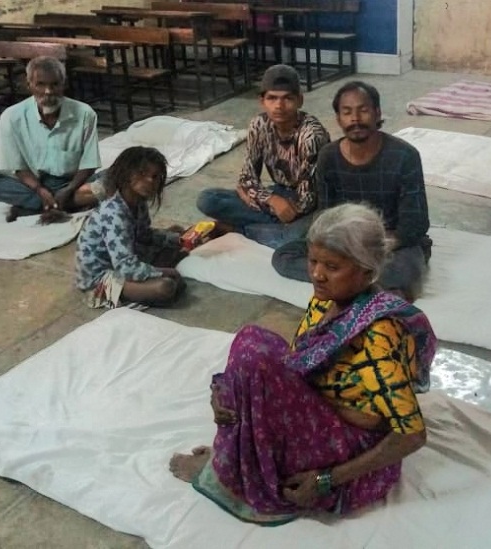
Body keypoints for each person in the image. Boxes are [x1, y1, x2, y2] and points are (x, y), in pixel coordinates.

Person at [169, 203, 437, 525]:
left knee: (256, 362)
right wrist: (226, 391)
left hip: (348, 448)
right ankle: (239, 456)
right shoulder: (326, 301)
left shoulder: (378, 336)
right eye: (313, 261)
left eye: (332, 266)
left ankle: (236, 471)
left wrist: (327, 479)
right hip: (322, 411)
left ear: (367, 271)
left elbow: (412, 435)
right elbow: (297, 360)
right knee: (252, 342)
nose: (316, 274)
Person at [272, 81, 432, 301]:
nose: (355, 119)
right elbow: (326, 213)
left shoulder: (405, 156)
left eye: (363, 111)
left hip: (388, 245)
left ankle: (346, 278)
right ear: (338, 119)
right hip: (343, 243)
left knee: (405, 270)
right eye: (347, 112)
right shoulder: (328, 156)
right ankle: (356, 278)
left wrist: (370, 248)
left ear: (377, 113)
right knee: (283, 257)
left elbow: (416, 223)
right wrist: (339, 250)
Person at [195, 64, 330, 248]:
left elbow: (307, 200)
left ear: (300, 100)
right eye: (272, 98)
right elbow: (247, 177)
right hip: (277, 196)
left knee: (292, 239)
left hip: (310, 207)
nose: (279, 106)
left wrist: (252, 194)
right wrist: (271, 200)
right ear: (262, 101)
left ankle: (241, 230)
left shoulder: (311, 135)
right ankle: (269, 231)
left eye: (287, 99)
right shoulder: (259, 125)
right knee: (208, 199)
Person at [0, 56, 105, 222]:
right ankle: (62, 203)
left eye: (55, 84)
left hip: (74, 182)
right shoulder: (11, 117)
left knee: (121, 176)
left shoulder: (84, 113)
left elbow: (89, 164)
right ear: (29, 85)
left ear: (65, 84)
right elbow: (16, 166)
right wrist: (40, 190)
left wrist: (69, 189)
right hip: (31, 184)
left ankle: (35, 206)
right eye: (40, 84)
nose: (48, 91)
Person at [75, 146, 185, 310]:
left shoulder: (138, 203)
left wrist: (177, 239)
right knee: (165, 287)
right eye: (142, 174)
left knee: (175, 237)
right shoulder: (113, 214)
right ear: (126, 174)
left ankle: (148, 281)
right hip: (102, 279)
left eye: (155, 177)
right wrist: (165, 272)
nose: (150, 181)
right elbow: (126, 267)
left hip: (125, 260)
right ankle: (120, 292)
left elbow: (145, 237)